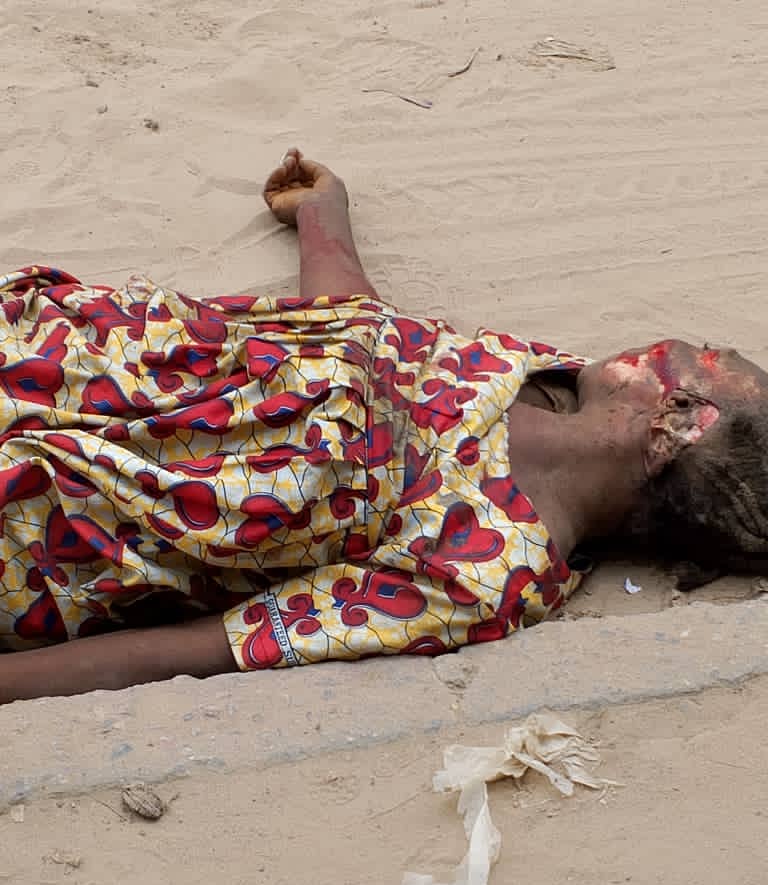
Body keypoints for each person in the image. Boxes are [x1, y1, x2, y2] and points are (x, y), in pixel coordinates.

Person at [1, 149, 766, 703]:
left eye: (705, 356)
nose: (684, 341)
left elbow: (214, 646)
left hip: (39, 518)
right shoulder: (538, 374)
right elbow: (364, 334)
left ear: (680, 422)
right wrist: (322, 218)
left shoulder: (486, 571)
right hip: (53, 355)